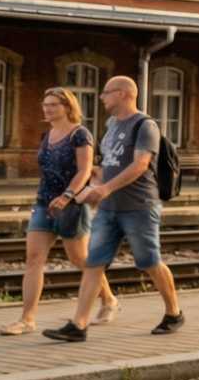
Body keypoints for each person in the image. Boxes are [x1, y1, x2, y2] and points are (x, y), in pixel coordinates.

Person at [43, 76, 183, 341]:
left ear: (123, 94)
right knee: (94, 263)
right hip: (108, 209)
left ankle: (173, 313)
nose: (101, 97)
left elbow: (141, 164)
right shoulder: (111, 125)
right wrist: (93, 182)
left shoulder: (145, 126)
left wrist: (106, 188)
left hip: (139, 207)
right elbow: (110, 163)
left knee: (149, 262)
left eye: (106, 92)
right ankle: (78, 325)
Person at [1, 86, 119, 335]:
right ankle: (27, 319)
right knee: (34, 259)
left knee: (80, 259)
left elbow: (84, 170)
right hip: (44, 203)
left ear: (67, 107)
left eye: (53, 104)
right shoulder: (48, 134)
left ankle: (108, 299)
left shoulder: (80, 134)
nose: (47, 108)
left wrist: (67, 196)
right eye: (46, 104)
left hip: (72, 205)